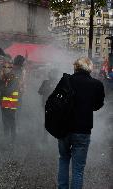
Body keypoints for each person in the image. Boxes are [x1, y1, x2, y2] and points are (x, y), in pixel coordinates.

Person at [56, 57, 105, 189]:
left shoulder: (66, 81)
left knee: (64, 160)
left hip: (64, 128)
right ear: (90, 68)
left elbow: (56, 102)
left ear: (75, 67)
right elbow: (97, 105)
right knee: (78, 168)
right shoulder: (96, 84)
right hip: (83, 129)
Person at [0, 60, 19, 143]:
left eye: (8, 67)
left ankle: (13, 139)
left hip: (11, 104)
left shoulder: (14, 78)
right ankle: (6, 138)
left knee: (11, 121)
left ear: (11, 68)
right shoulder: (3, 77)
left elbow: (8, 91)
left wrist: (2, 86)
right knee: (5, 121)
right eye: (4, 67)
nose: (5, 69)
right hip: (4, 104)